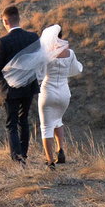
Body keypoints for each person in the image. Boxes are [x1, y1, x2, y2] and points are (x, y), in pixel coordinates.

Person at [0, 5, 42, 164]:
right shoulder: (33, 37)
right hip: (29, 87)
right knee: (24, 120)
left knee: (11, 124)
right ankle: (24, 155)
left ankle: (18, 160)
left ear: (5, 21)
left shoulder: (3, 42)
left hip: (10, 90)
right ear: (18, 18)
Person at [33, 24, 83, 166]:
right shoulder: (70, 53)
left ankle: (50, 162)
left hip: (48, 92)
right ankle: (60, 149)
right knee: (58, 120)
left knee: (46, 127)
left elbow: (39, 73)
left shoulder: (46, 54)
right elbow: (76, 69)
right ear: (61, 37)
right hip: (64, 92)